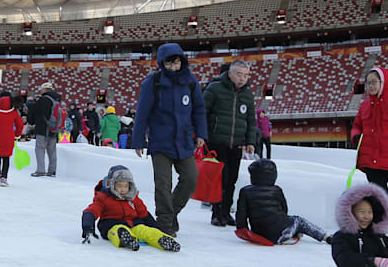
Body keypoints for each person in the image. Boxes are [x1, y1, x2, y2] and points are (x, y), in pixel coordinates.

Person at [132, 43, 208, 237]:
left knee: (191, 179)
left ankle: (171, 213)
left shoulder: (190, 82)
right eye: (169, 63)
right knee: (163, 183)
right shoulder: (153, 82)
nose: (173, 66)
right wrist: (138, 140)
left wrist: (201, 133)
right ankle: (165, 222)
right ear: (162, 63)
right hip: (160, 141)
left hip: (183, 141)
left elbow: (199, 109)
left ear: (182, 61)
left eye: (176, 62)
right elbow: (142, 112)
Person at [203, 60, 256, 227]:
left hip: (237, 143)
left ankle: (226, 212)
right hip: (216, 141)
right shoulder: (214, 89)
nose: (242, 79)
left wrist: (250, 141)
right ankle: (216, 213)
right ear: (230, 73)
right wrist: (201, 136)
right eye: (239, 74)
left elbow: (250, 120)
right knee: (219, 178)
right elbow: (201, 112)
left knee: (231, 179)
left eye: (246, 75)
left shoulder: (247, 95)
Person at [81, 165, 180, 252]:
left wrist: (156, 228)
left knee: (145, 230)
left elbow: (144, 214)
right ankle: (125, 239)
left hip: (133, 223)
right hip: (111, 224)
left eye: (126, 186)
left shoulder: (133, 198)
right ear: (111, 184)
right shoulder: (103, 197)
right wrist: (87, 225)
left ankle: (162, 239)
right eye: (119, 186)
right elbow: (92, 210)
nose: (123, 189)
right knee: (117, 230)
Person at [236, 159, 330, 244]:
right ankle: (325, 237)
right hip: (280, 231)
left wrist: (244, 231)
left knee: (289, 223)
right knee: (299, 221)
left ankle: (293, 232)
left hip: (260, 232)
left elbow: (241, 215)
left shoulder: (245, 191)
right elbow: (284, 209)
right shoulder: (276, 190)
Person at [331, 183, 388, 267]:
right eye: (361, 211)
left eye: (370, 212)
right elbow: (346, 261)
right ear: (350, 213)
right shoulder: (342, 237)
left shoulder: (379, 237)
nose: (366, 216)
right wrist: (372, 262)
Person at [351, 67, 388, 192]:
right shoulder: (364, 105)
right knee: (380, 196)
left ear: (383, 83)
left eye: (374, 82)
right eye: (368, 83)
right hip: (371, 162)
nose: (370, 86)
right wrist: (355, 136)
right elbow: (356, 126)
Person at [0, 93, 23, 187]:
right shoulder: (14, 111)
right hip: (8, 137)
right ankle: (4, 178)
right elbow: (20, 124)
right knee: (6, 157)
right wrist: (17, 135)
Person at [27, 82, 62, 177]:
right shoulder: (57, 100)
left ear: (44, 90)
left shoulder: (43, 100)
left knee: (40, 149)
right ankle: (52, 170)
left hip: (42, 129)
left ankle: (40, 170)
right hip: (54, 129)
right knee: (52, 151)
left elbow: (33, 111)